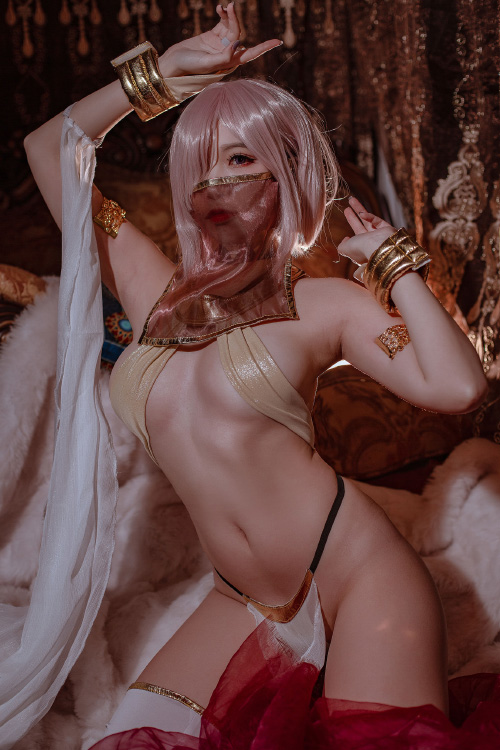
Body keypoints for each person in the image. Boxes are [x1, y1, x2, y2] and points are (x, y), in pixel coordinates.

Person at [20, 3, 500, 748]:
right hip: (241, 597)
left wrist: (394, 264)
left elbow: (459, 388)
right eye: (201, 163)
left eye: (242, 160)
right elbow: (49, 149)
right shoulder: (152, 292)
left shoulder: (324, 305)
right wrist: (165, 75)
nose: (216, 180)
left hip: (360, 576)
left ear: (288, 177)